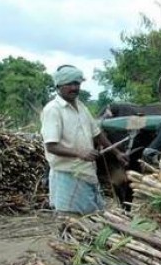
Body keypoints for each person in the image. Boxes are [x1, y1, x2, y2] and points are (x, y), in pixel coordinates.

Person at [40, 65, 113, 214]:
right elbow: (51, 146)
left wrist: (117, 153)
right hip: (67, 175)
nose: (74, 88)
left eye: (77, 84)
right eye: (70, 84)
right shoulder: (53, 110)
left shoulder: (81, 107)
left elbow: (97, 133)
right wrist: (80, 153)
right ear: (59, 86)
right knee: (71, 220)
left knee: (92, 218)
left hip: (87, 173)